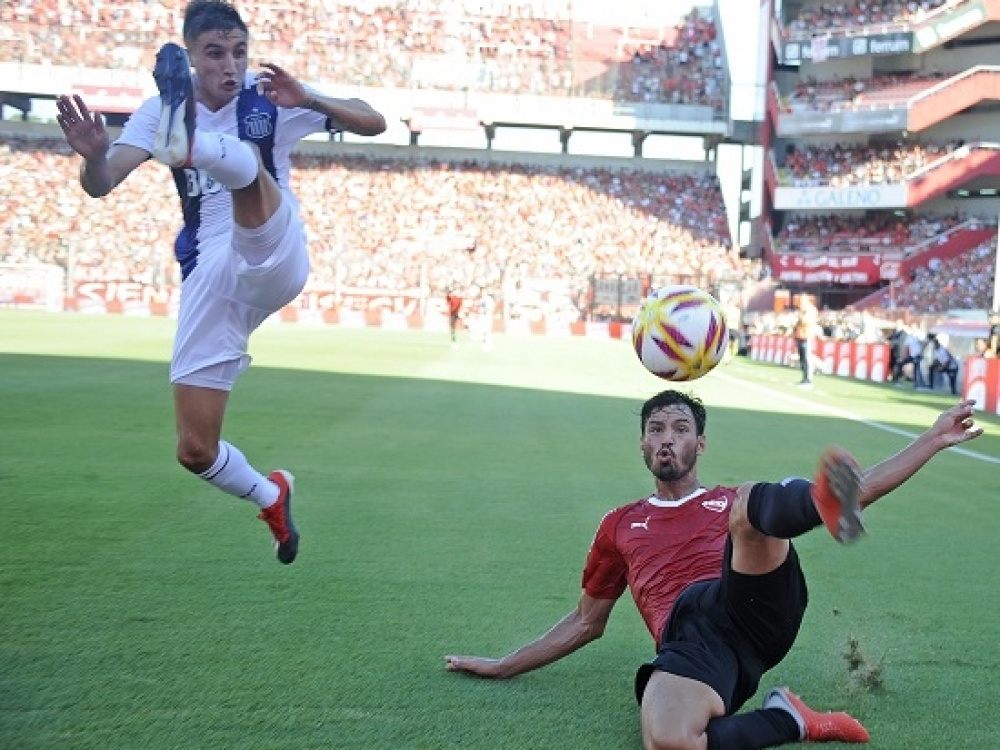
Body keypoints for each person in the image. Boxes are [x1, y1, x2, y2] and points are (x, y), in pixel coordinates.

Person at [445, 390, 983, 749]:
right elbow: (587, 621)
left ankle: (818, 500)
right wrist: (504, 665)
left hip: (752, 596)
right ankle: (789, 717)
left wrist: (932, 439)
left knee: (748, 512)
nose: (667, 438)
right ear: (643, 444)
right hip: (694, 642)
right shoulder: (619, 524)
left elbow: (859, 490)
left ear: (699, 444)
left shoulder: (726, 499)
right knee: (669, 741)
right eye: (656, 429)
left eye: (680, 429)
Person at [55, 0, 386, 564]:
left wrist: (309, 99)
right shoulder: (157, 110)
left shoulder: (269, 95)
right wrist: (92, 156)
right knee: (194, 449)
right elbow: (102, 182)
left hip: (272, 248)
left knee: (248, 171)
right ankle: (269, 495)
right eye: (214, 54)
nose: (230, 65)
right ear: (190, 57)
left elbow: (373, 121)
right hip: (211, 274)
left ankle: (196, 149)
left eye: (238, 52)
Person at [792, 298, 819, 386]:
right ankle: (804, 378)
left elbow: (805, 321)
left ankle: (808, 378)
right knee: (802, 359)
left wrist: (800, 317)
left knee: (807, 358)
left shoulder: (811, 311)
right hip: (800, 335)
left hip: (806, 336)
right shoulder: (802, 311)